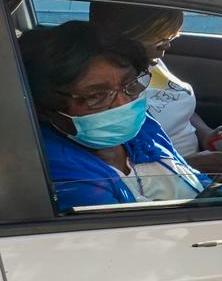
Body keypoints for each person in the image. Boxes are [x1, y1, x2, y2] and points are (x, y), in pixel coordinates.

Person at [19, 21, 211, 212]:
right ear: (46, 108)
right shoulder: (64, 179)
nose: (124, 103)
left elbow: (189, 176)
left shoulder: (143, 127)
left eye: (130, 84)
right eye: (96, 96)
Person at [88, 2, 222, 176]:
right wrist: (190, 165)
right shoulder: (108, 87)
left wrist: (205, 133)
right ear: (126, 35)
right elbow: (123, 170)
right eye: (161, 40)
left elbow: (172, 98)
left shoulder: (150, 62)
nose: (167, 46)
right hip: (171, 179)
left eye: (170, 38)